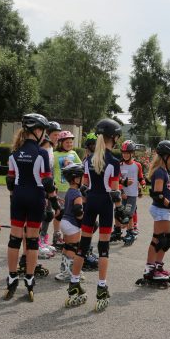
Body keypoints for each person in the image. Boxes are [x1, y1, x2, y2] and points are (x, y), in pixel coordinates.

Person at [66, 118, 123, 312]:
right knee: (104, 248)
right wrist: (122, 211)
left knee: (83, 246)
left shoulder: (88, 159)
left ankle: (73, 284)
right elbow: (115, 192)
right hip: (106, 205)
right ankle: (101, 287)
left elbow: (85, 186)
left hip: (90, 202)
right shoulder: (114, 162)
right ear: (113, 137)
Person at [4, 113, 58, 301]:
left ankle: (11, 278)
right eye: (43, 131)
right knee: (33, 240)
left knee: (14, 239)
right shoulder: (42, 153)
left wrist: (15, 197)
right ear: (36, 131)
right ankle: (29, 278)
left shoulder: (14, 153)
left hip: (18, 197)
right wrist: (55, 201)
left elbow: (10, 181)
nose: (45, 135)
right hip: (36, 198)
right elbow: (47, 182)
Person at [135, 140, 170, 289]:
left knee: (166, 239)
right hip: (160, 209)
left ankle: (157, 266)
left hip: (163, 209)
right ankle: (150, 269)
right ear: (164, 156)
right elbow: (157, 194)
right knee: (159, 239)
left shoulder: (163, 171)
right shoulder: (159, 172)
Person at [55, 163, 86, 284]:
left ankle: (64, 269)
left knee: (67, 246)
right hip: (72, 224)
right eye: (82, 177)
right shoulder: (77, 194)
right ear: (77, 179)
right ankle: (70, 272)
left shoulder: (69, 191)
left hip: (64, 222)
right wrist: (85, 221)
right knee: (73, 247)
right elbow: (78, 211)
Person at [113, 140, 145, 246]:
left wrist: (143, 184)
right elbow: (116, 180)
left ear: (132, 153)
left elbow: (140, 177)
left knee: (128, 214)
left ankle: (130, 232)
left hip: (132, 194)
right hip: (121, 194)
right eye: (123, 153)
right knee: (117, 213)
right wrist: (121, 191)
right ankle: (117, 231)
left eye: (127, 153)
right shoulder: (119, 165)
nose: (125, 155)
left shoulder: (137, 165)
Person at [52, 129, 82, 247]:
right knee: (59, 213)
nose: (69, 144)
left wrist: (71, 164)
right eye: (67, 142)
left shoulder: (73, 154)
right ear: (60, 143)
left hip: (71, 188)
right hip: (59, 188)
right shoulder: (55, 155)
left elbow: (81, 166)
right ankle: (56, 234)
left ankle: (67, 237)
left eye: (71, 142)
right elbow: (50, 169)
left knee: (69, 213)